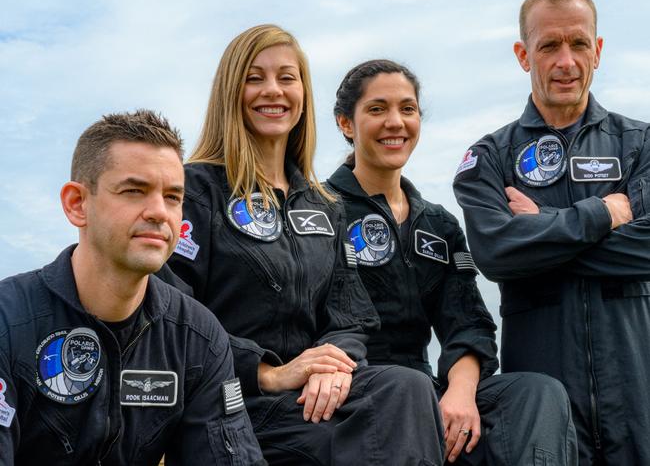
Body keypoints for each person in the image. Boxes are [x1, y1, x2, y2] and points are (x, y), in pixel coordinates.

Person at [165, 25, 444, 465]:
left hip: (311, 401)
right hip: (231, 401)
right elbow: (171, 311)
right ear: (229, 92)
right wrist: (268, 372)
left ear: (303, 94)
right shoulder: (194, 190)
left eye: (286, 78)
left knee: (408, 386)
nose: (272, 91)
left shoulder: (325, 206)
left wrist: (331, 368)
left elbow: (350, 317)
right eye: (254, 78)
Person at [327, 59, 578, 465]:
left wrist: (459, 395)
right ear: (346, 124)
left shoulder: (438, 224)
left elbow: (467, 322)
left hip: (424, 386)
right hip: (349, 390)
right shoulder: (321, 211)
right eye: (377, 109)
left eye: (407, 109)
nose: (396, 122)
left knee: (538, 393)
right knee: (406, 390)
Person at [453, 0, 650, 465]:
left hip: (639, 394)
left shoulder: (640, 145)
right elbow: (497, 253)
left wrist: (542, 227)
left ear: (597, 50)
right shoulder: (490, 158)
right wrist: (602, 214)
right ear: (524, 55)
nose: (566, 61)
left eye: (579, 43)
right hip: (545, 405)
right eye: (549, 46)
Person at [0, 110, 265, 465]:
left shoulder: (198, 337)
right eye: (134, 191)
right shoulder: (7, 321)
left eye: (173, 197)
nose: (159, 211)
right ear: (77, 204)